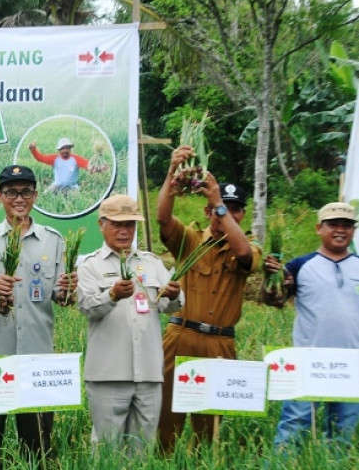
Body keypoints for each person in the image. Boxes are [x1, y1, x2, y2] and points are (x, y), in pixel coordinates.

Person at [0, 165, 78, 468]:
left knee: (38, 448)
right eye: (12, 191)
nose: (19, 198)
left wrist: (68, 291)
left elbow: (61, 297)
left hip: (37, 358)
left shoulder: (52, 240)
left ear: (35, 195)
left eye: (26, 191)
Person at [155, 146, 262, 452]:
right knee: (166, 424)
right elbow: (163, 219)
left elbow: (244, 255)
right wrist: (171, 174)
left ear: (241, 214)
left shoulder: (248, 246)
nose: (225, 212)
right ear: (205, 212)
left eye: (234, 208)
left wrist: (218, 203)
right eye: (219, 207)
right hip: (180, 337)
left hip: (219, 345)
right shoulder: (190, 239)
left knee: (208, 431)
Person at [76, 194, 182, 455]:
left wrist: (175, 294)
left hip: (148, 374)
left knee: (141, 451)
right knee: (106, 451)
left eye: (130, 225)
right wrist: (111, 295)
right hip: (109, 376)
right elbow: (87, 306)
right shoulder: (90, 266)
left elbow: (173, 307)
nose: (125, 231)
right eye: (117, 224)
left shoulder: (152, 263)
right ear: (102, 224)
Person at [263, 202, 359, 449]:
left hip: (351, 365)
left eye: (347, 225)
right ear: (319, 228)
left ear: (353, 230)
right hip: (307, 362)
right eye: (333, 224)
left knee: (342, 432)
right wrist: (271, 279)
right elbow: (274, 299)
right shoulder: (299, 266)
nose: (340, 230)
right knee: (293, 425)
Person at [29, 138, 96, 192]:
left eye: (67, 148)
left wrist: (91, 167)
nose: (65, 150)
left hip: (72, 187)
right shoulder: (54, 158)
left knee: (75, 198)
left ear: (70, 149)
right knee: (46, 194)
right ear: (59, 150)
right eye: (63, 148)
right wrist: (33, 150)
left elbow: (86, 164)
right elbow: (41, 158)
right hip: (57, 185)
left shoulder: (76, 158)